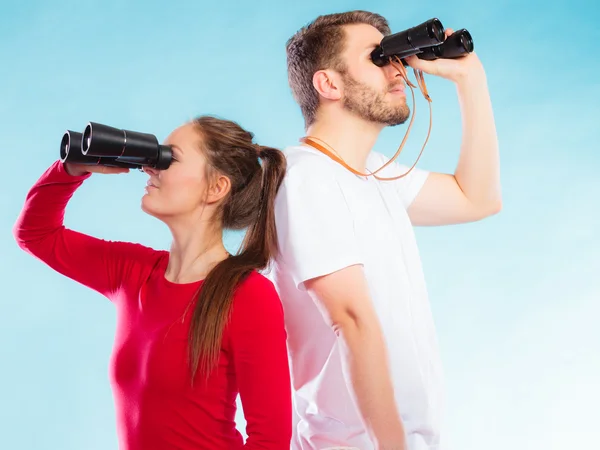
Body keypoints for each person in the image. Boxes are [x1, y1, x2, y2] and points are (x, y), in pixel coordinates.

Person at [270, 10, 501, 450]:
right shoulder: (305, 178)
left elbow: (479, 198)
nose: (398, 67)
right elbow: (352, 319)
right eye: (378, 57)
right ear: (329, 84)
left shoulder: (372, 172)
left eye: (395, 54)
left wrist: (472, 82)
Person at [13, 116, 292, 449]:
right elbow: (36, 234)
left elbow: (270, 440)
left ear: (216, 187)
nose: (150, 168)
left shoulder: (248, 295)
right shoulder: (132, 272)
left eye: (168, 158)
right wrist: (72, 169)